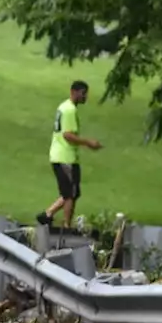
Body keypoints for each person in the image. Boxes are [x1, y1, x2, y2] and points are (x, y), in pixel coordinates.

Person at [37, 80, 103, 230]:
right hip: (65, 156)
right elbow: (67, 135)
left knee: (72, 192)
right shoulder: (70, 110)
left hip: (61, 155)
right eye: (83, 93)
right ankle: (64, 225)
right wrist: (88, 143)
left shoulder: (63, 107)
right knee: (70, 194)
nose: (85, 97)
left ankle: (48, 215)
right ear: (74, 92)